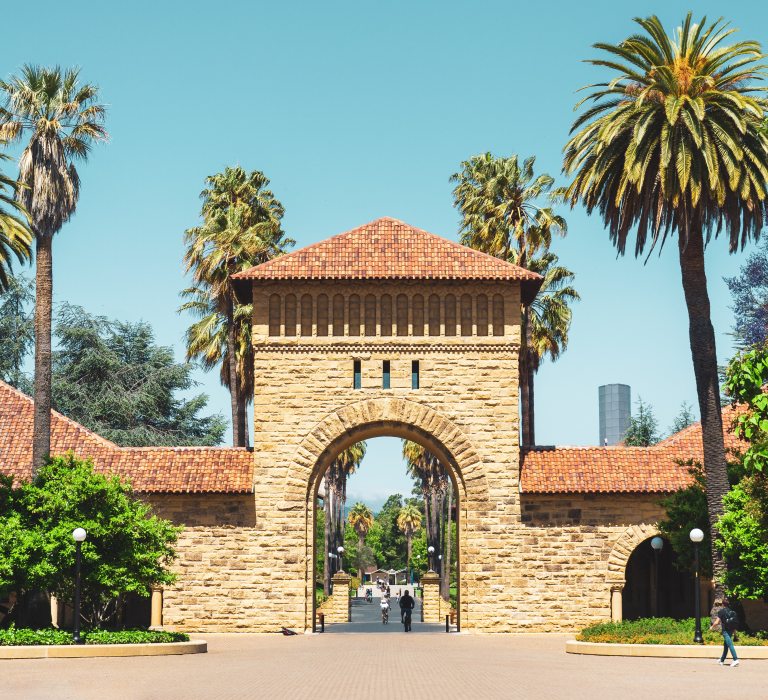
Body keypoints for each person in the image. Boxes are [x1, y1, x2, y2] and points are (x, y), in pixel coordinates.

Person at [710, 597, 740, 667]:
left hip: (725, 631)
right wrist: (735, 634)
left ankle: (735, 659)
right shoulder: (731, 611)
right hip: (731, 630)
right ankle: (722, 660)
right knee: (726, 646)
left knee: (730, 645)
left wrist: (712, 627)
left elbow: (717, 622)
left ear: (722, 604)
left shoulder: (721, 612)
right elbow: (734, 624)